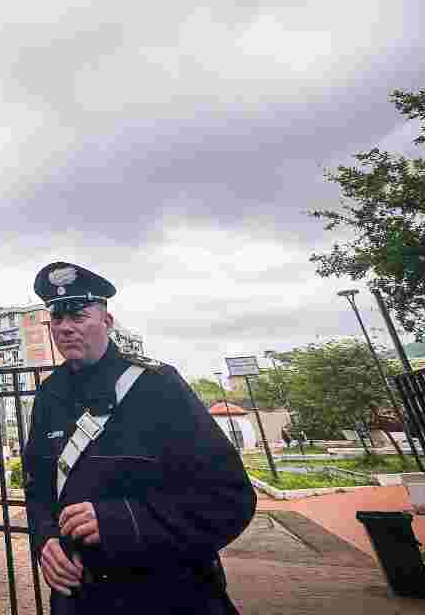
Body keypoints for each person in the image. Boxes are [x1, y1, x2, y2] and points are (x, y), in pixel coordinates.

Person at [21, 262, 256, 615]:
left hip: (165, 594)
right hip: (79, 599)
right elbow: (38, 488)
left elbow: (229, 498)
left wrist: (120, 521)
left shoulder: (157, 386)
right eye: (57, 319)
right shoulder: (49, 395)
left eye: (79, 316)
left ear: (107, 321)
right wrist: (45, 540)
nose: (66, 328)